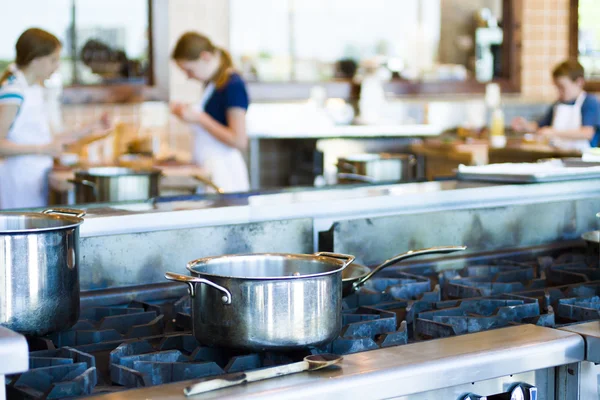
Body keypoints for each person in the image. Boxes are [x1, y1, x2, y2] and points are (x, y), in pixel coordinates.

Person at [0, 28, 111, 209]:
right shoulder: (13, 91)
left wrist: (92, 127)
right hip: (17, 182)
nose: (57, 65)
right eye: (53, 60)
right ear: (36, 60)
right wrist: (43, 149)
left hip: (34, 178)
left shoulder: (34, 90)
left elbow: (50, 140)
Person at [169, 32, 250, 193]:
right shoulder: (212, 84)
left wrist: (199, 118)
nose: (188, 77)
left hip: (226, 175)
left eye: (189, 70)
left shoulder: (233, 85)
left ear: (205, 57)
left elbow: (239, 140)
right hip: (211, 171)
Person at [511, 60, 600, 150]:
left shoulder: (590, 102)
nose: (559, 92)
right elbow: (541, 126)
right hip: (558, 154)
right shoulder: (558, 104)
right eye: (557, 87)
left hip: (583, 158)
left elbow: (587, 133)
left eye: (562, 87)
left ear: (579, 82)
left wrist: (554, 132)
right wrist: (525, 126)